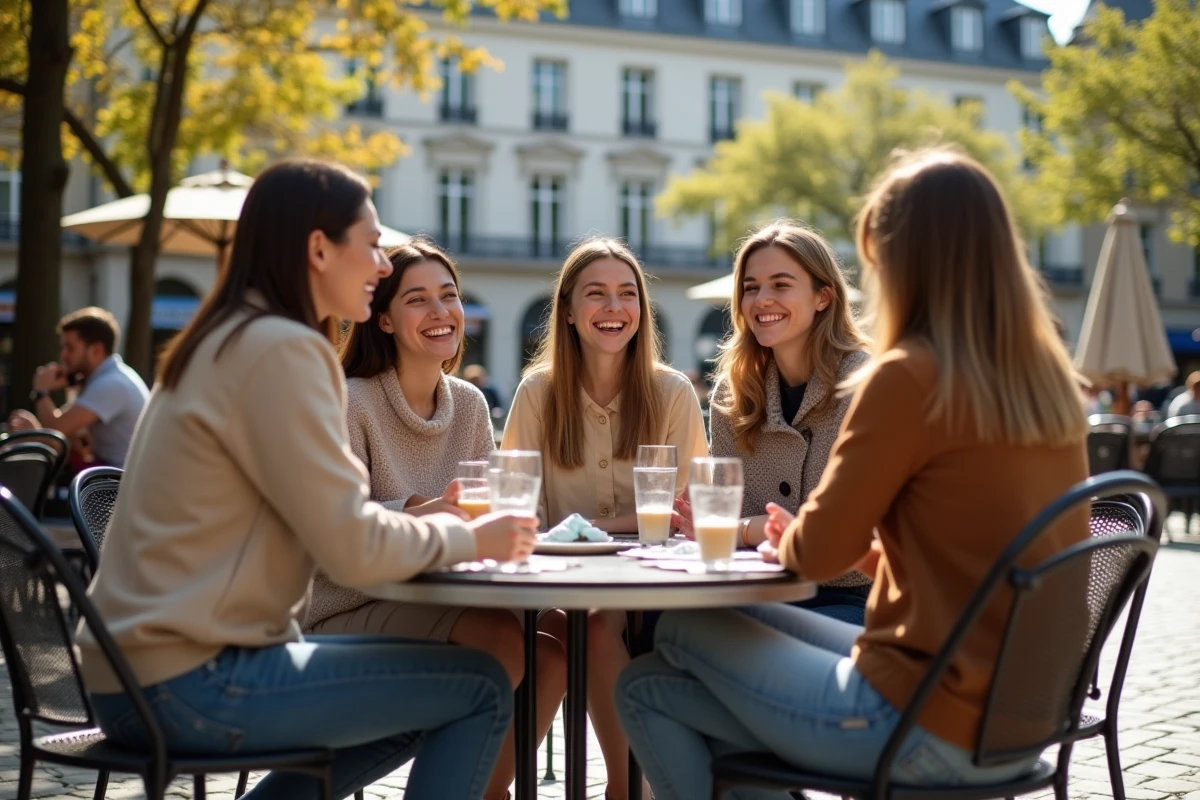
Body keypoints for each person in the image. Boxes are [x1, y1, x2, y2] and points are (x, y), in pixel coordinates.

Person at [616, 148, 1091, 799]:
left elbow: (816, 555)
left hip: (922, 721)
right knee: (658, 688)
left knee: (671, 637)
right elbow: (972, 551)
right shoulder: (1046, 379)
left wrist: (782, 534)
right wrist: (868, 553)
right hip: (1024, 721)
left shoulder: (908, 375)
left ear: (905, 261)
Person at [74, 159, 539, 800]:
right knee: (482, 687)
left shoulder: (234, 338)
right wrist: (472, 539)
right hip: (190, 680)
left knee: (442, 685)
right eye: (372, 243)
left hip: (136, 671)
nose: (382, 264)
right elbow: (350, 546)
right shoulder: (283, 351)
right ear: (320, 249)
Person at [305, 238, 567, 800]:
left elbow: (494, 508)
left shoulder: (469, 404)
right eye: (418, 300)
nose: (440, 312)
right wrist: (420, 512)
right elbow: (337, 529)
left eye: (448, 296)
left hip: (437, 598)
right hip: (344, 604)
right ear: (385, 320)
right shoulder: (351, 402)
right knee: (502, 643)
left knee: (550, 653)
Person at [501, 237, 709, 799]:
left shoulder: (672, 393)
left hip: (653, 588)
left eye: (627, 294)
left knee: (590, 623)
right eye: (596, 294)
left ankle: (624, 789)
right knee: (552, 636)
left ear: (642, 309)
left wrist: (591, 527)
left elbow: (684, 515)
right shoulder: (537, 394)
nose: (613, 308)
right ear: (568, 311)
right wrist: (625, 523)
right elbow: (519, 512)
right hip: (555, 584)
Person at [674, 221, 872, 624]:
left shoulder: (862, 383)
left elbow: (849, 536)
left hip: (852, 598)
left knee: (686, 634)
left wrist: (744, 528)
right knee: (655, 624)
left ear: (823, 297)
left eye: (781, 285)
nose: (762, 299)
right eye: (750, 287)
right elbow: (721, 514)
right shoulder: (734, 393)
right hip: (758, 588)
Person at [7, 307, 148, 468]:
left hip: (116, 484)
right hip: (115, 476)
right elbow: (64, 432)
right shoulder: (109, 378)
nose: (63, 356)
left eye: (70, 348)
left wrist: (41, 392)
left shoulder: (111, 384)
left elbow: (54, 432)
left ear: (96, 350)